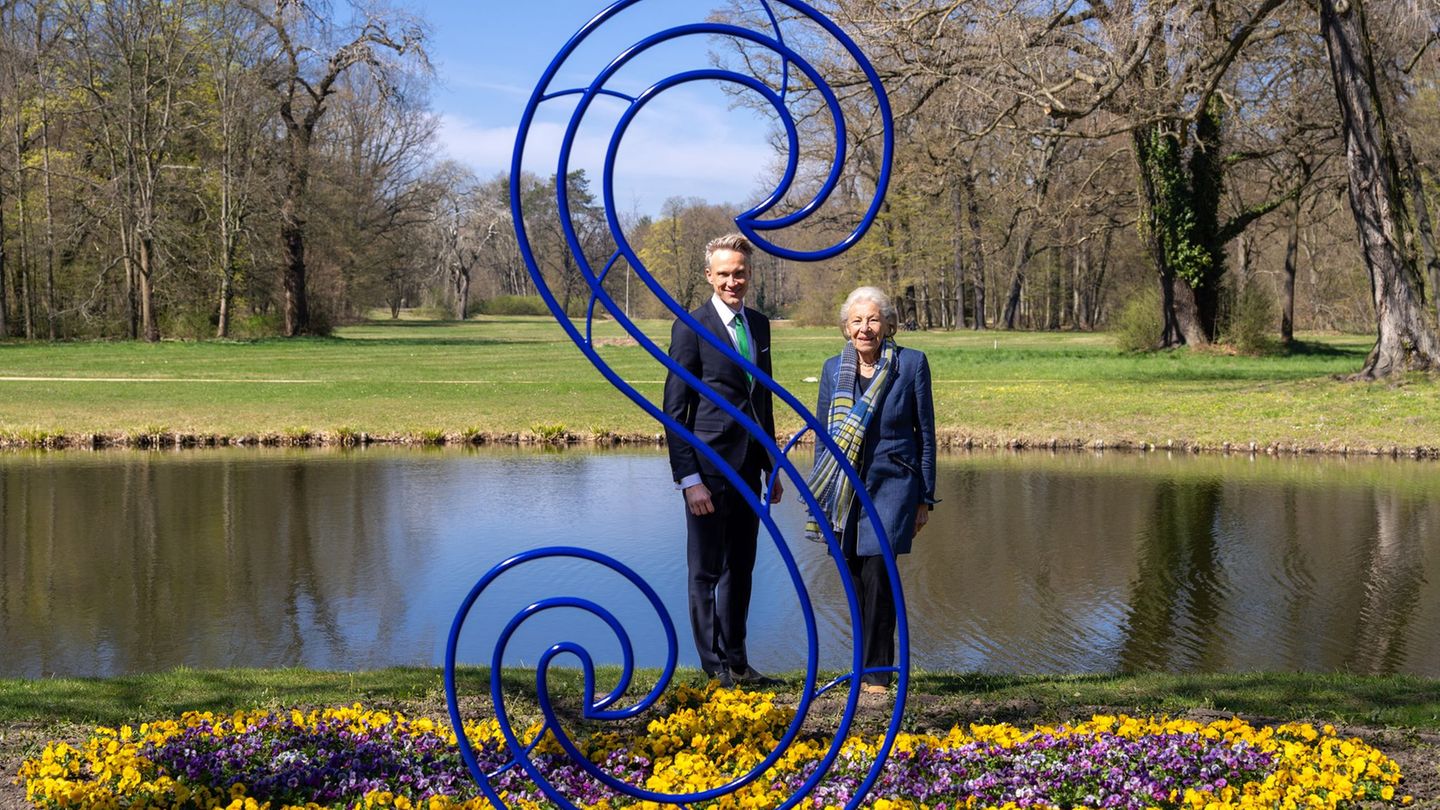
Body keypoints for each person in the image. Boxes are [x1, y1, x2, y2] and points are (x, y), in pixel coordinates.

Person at [662, 233, 783, 688]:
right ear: (709, 276)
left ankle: (738, 662)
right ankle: (713, 668)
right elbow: (674, 412)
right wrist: (689, 479)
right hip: (708, 469)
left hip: (750, 466)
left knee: (741, 568)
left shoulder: (760, 324)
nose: (733, 280)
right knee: (706, 571)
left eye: (740, 272)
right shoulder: (690, 327)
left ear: (749, 274)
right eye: (724, 273)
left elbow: (762, 402)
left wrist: (771, 464)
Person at [806, 286, 937, 694]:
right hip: (843, 491)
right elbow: (824, 438)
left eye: (873, 320)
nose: (865, 328)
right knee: (854, 579)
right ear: (846, 328)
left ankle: (878, 675)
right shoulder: (832, 369)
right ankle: (861, 667)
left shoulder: (911, 364)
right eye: (857, 321)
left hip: (893, 487)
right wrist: (819, 498)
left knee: (879, 576)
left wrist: (924, 497)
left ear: (888, 325)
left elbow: (926, 435)